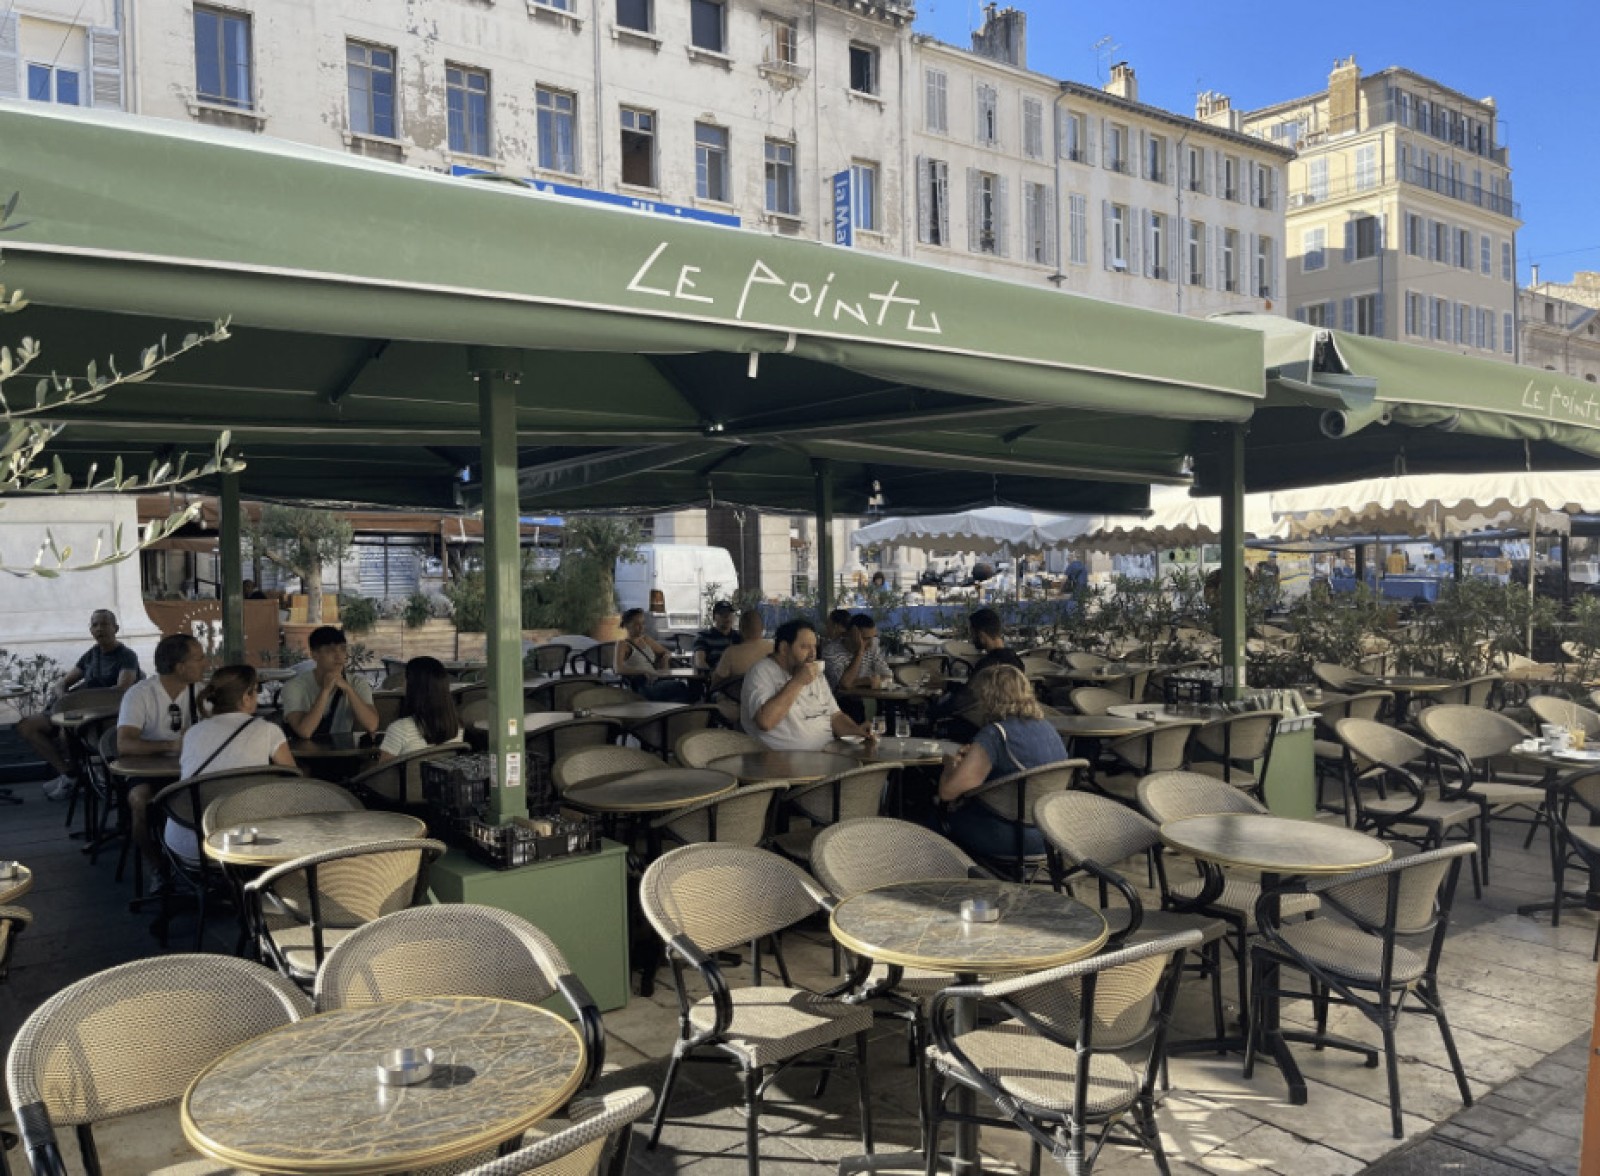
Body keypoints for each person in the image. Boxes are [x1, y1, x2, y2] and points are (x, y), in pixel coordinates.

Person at [936, 665, 1068, 862]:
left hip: (1009, 835)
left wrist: (950, 765)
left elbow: (948, 792)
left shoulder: (996, 735)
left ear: (987, 696)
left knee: (932, 818)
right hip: (1051, 833)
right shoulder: (1048, 728)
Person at [20, 609, 141, 799]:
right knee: (27, 726)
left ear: (115, 628)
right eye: (95, 625)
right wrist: (63, 697)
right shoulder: (91, 655)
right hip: (75, 710)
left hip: (103, 717)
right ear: (90, 630)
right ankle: (69, 775)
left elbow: (121, 689)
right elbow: (62, 683)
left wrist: (83, 698)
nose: (99, 629)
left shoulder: (126, 656)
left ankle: (82, 777)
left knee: (65, 731)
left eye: (104, 624)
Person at [117, 633, 209, 883]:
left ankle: (206, 864)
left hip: (190, 770)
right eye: (199, 658)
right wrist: (171, 745)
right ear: (180, 667)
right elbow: (124, 744)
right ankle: (158, 867)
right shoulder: (140, 694)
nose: (205, 663)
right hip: (147, 772)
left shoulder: (201, 692)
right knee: (139, 801)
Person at [742, 617, 873, 750]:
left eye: (814, 646)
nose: (813, 654)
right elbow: (765, 722)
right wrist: (798, 681)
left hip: (827, 753)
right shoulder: (761, 671)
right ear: (784, 648)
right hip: (782, 758)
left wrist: (857, 731)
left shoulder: (814, 672)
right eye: (804, 647)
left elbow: (835, 716)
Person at [181, 665, 296, 779]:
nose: (257, 695)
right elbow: (293, 778)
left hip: (199, 792)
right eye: (256, 690)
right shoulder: (268, 730)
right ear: (246, 698)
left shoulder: (192, 733)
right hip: (250, 791)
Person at [929, 608, 1024, 739]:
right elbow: (972, 690)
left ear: (981, 635)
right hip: (1009, 723)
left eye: (972, 634)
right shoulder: (1015, 660)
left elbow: (965, 699)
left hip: (983, 727)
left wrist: (933, 711)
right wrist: (947, 685)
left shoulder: (988, 665)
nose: (971, 639)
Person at [281, 626, 380, 740]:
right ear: (314, 654)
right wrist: (325, 691)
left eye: (343, 649)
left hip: (342, 749)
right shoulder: (294, 686)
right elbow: (305, 731)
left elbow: (372, 725)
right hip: (304, 750)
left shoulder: (357, 683)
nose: (338, 656)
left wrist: (349, 690)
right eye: (330, 650)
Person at [380, 656, 464, 761]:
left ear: (413, 686)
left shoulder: (399, 729)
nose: (402, 684)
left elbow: (385, 770)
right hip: (441, 772)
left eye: (405, 679)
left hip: (408, 773)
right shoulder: (457, 726)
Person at [615, 608, 691, 702]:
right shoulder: (623, 644)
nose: (641, 627)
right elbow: (618, 669)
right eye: (636, 624)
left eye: (643, 623)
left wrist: (664, 660)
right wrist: (643, 671)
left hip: (657, 680)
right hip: (642, 685)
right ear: (627, 625)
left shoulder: (646, 640)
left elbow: (666, 652)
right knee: (681, 687)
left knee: (688, 689)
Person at [822, 614, 893, 693]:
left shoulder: (873, 646)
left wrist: (857, 682)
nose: (870, 644)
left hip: (867, 696)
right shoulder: (831, 651)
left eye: (873, 637)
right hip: (840, 698)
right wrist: (859, 652)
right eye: (865, 638)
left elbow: (888, 676)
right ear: (852, 634)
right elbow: (843, 685)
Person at [710, 609, 773, 685]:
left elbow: (715, 682)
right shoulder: (774, 649)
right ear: (762, 628)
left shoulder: (731, 653)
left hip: (736, 693)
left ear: (741, 629)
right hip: (770, 692)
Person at [692, 600, 742, 672]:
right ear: (714, 617)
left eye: (730, 613)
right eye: (722, 613)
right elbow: (700, 663)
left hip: (737, 676)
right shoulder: (703, 637)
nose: (726, 617)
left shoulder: (739, 637)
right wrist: (716, 675)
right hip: (712, 677)